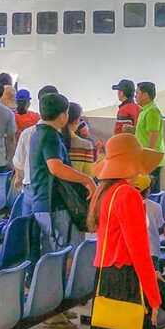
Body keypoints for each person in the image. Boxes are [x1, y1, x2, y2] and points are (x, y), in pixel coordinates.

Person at [84, 132, 164, 329]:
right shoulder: (128, 195)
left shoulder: (104, 193)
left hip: (106, 279)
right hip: (128, 281)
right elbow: (140, 253)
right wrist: (154, 297)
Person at [30, 93, 96, 252]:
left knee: (59, 252)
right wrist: (87, 180)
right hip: (53, 203)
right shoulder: (50, 136)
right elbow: (55, 167)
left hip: (44, 202)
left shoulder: (39, 133)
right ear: (62, 116)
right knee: (64, 254)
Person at [12, 85, 59, 212]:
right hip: (55, 189)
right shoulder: (59, 134)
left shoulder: (28, 132)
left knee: (30, 227)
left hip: (30, 186)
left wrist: (18, 176)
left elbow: (18, 162)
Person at [135, 82, 165, 191]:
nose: (135, 96)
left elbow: (154, 134)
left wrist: (148, 157)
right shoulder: (145, 110)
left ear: (145, 95)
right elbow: (145, 131)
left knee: (150, 190)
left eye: (137, 93)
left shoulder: (152, 111)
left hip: (152, 158)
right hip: (146, 156)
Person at [64, 103, 97, 177]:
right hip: (77, 187)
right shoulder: (86, 145)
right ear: (77, 121)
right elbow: (89, 175)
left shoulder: (54, 140)